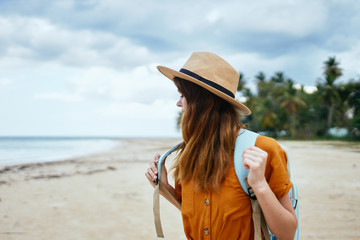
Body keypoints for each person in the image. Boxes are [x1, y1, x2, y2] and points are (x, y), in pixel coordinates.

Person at [145, 52, 297, 240]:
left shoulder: (262, 149)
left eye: (183, 95)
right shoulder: (188, 154)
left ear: (203, 102)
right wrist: (164, 186)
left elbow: (287, 233)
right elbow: (199, 216)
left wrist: (260, 186)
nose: (178, 103)